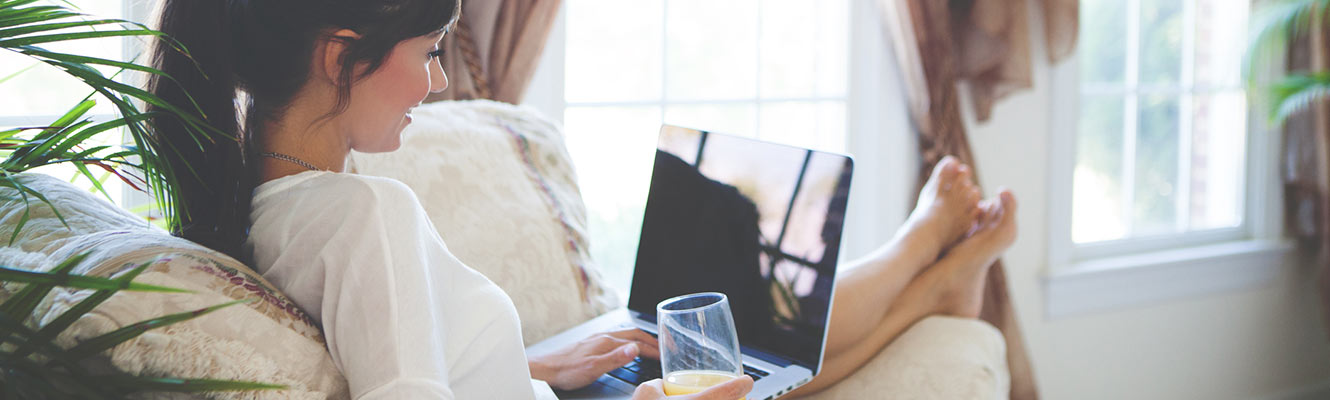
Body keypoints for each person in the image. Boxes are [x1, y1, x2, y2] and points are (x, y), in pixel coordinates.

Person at [145, 0, 1017, 399]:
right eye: (430, 50)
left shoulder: (270, 201)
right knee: (738, 364)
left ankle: (921, 276)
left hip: (537, 385)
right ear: (344, 56)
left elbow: (410, 363)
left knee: (729, 357)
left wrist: (532, 370)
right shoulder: (362, 216)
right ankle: (920, 265)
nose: (440, 81)